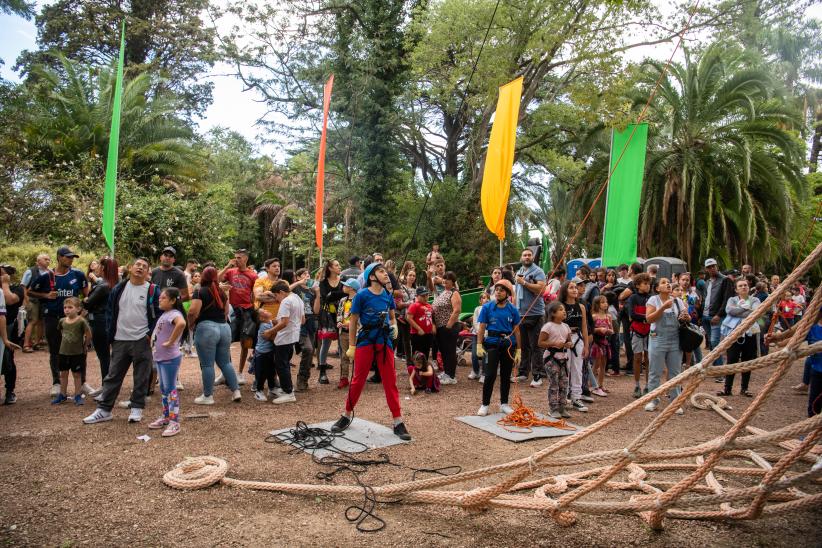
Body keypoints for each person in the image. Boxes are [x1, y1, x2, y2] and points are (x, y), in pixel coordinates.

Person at [330, 262, 411, 441]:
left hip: (384, 341)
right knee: (358, 380)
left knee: (390, 380)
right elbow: (353, 321)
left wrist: (394, 325)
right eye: (381, 271)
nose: (385, 274)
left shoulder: (388, 295)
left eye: (385, 271)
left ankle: (398, 421)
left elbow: (391, 316)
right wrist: (351, 345)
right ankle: (346, 415)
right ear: (371, 277)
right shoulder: (361, 296)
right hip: (365, 340)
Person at [82, 258, 161, 424]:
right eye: (137, 265)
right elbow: (110, 311)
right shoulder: (119, 288)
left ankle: (137, 408)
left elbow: (158, 315)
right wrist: (111, 334)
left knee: (141, 376)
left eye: (144, 267)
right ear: (130, 268)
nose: (140, 268)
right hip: (120, 339)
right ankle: (104, 410)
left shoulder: (152, 290)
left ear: (148, 272)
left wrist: (150, 334)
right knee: (113, 375)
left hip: (142, 339)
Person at [28, 247, 89, 397]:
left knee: (79, 351)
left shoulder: (78, 274)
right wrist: (46, 295)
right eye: (68, 257)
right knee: (55, 351)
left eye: (72, 257)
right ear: (59, 257)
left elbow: (86, 295)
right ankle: (57, 383)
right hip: (53, 318)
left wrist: (83, 311)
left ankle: (82, 383)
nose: (71, 259)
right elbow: (29, 291)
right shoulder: (47, 276)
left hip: (74, 321)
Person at [186, 266, 242, 406]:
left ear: (203, 277)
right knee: (225, 362)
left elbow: (193, 311)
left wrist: (190, 324)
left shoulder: (200, 291)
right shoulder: (222, 293)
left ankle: (208, 396)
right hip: (224, 328)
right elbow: (226, 312)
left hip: (206, 329)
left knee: (207, 365)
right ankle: (236, 391)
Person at [475, 279, 521, 416]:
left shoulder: (512, 309)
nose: (498, 292)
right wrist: (478, 344)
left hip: (508, 344)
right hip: (492, 343)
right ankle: (485, 404)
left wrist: (519, 349)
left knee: (506, 375)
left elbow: (517, 330)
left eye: (502, 290)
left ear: (507, 293)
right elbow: (482, 327)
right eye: (497, 290)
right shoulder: (487, 307)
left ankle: (504, 404)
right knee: (490, 375)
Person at [766, 305, 822, 418]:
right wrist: (776, 339)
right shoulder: (812, 329)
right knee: (814, 405)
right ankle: (812, 432)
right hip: (818, 371)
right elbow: (793, 340)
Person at [643, 278, 689, 414]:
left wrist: (687, 317)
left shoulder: (678, 301)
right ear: (657, 288)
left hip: (675, 339)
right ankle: (653, 400)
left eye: (668, 282)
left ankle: (675, 403)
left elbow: (687, 318)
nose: (667, 284)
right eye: (663, 283)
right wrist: (663, 308)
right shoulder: (653, 300)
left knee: (675, 372)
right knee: (655, 371)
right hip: (657, 338)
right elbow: (649, 319)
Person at [147, 287, 187, 437]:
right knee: (164, 389)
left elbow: (181, 324)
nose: (159, 299)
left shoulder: (174, 314)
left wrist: (171, 341)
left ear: (172, 300)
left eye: (163, 298)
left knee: (170, 390)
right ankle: (166, 417)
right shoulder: (166, 314)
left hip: (170, 358)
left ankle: (175, 422)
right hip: (161, 357)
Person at [218, 249, 257, 384]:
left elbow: (255, 294)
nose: (236, 260)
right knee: (225, 342)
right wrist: (228, 266)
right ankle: (225, 372)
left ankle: (240, 373)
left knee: (245, 343)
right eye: (235, 257)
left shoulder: (252, 275)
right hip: (232, 310)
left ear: (246, 258)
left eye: (239, 258)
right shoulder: (230, 271)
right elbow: (216, 279)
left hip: (246, 311)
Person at [717, 278, 761, 397]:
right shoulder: (732, 299)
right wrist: (747, 309)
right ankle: (727, 388)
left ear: (749, 287)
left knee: (747, 361)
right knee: (731, 360)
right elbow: (729, 311)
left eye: (745, 285)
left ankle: (744, 388)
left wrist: (740, 311)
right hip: (734, 334)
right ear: (736, 289)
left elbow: (757, 312)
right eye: (740, 286)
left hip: (750, 334)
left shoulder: (755, 299)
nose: (743, 287)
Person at [263, 281, 303, 404]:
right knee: (285, 364)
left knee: (281, 365)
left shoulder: (286, 301)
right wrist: (278, 321)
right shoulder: (297, 298)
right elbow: (302, 319)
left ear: (281, 292)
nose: (276, 299)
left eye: (276, 296)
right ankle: (288, 389)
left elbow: (284, 322)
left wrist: (270, 331)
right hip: (293, 336)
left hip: (284, 338)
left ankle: (288, 392)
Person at [514, 249, 547, 386]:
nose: (527, 257)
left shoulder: (538, 271)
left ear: (533, 257)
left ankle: (538, 375)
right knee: (524, 346)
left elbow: (541, 290)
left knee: (536, 346)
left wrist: (525, 283)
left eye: (529, 255)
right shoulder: (519, 271)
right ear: (521, 257)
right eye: (524, 255)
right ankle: (523, 372)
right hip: (520, 314)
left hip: (535, 314)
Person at [83, 256, 119, 383]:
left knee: (103, 357)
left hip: (99, 322)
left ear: (103, 267)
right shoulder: (117, 285)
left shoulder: (103, 286)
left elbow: (87, 303)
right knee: (109, 357)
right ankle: (107, 386)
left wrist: (85, 300)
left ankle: (106, 387)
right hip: (112, 322)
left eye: (99, 264)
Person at [52, 297, 91, 405]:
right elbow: (61, 333)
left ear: (78, 309)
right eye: (65, 307)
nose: (67, 310)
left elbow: (88, 334)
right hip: (63, 352)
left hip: (77, 353)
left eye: (70, 307)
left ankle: (77, 395)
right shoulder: (62, 321)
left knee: (77, 375)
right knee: (63, 374)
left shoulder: (81, 321)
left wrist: (84, 346)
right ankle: (62, 394)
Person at [558, 280, 590, 412]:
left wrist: (586, 345)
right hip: (564, 339)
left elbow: (584, 327)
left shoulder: (581, 307)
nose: (575, 290)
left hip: (578, 338)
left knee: (577, 368)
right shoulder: (560, 306)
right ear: (565, 290)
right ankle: (563, 397)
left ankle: (576, 397)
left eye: (576, 288)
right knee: (565, 368)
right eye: (571, 288)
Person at [539, 301, 573, 418]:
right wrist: (554, 343)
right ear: (553, 313)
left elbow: (569, 341)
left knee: (564, 383)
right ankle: (553, 408)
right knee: (554, 383)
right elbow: (540, 343)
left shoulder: (566, 327)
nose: (564, 311)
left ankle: (562, 407)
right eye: (560, 310)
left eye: (564, 309)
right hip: (551, 358)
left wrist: (569, 344)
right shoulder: (548, 326)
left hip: (563, 358)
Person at [702, 258, 735, 369]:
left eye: (713, 266)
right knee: (712, 344)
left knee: (715, 342)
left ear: (717, 266)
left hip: (717, 316)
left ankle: (719, 370)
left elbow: (727, 300)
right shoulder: (707, 282)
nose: (712, 268)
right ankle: (715, 367)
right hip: (706, 316)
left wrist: (719, 315)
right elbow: (706, 298)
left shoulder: (725, 280)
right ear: (706, 269)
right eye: (709, 267)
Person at [317, 260, 345, 383]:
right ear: (330, 268)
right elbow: (325, 297)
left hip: (341, 316)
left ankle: (343, 374)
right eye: (337, 265)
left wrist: (332, 295)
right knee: (326, 343)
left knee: (342, 344)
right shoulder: (323, 282)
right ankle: (322, 372)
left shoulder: (343, 281)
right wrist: (340, 293)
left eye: (339, 265)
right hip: (327, 315)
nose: (339, 267)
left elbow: (333, 296)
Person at [432, 271, 462, 385]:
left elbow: (457, 310)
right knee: (444, 351)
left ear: (453, 282)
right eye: (444, 280)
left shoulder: (454, 293)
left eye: (447, 281)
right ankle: (446, 372)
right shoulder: (445, 291)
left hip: (449, 326)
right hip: (441, 327)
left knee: (450, 351)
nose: (445, 282)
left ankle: (451, 376)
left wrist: (448, 326)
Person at [293, 268, 320, 390]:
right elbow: (285, 289)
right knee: (308, 349)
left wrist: (318, 294)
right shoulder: (296, 289)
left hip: (311, 323)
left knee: (310, 352)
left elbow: (316, 311)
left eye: (308, 274)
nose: (307, 276)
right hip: (299, 324)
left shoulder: (312, 291)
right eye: (304, 274)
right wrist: (299, 282)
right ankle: (300, 380)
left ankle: (304, 380)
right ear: (298, 277)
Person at [1, 265, 24, 403]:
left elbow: (9, 300)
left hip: (9, 327)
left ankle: (10, 391)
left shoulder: (17, 288)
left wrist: (4, 283)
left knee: (8, 360)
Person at [627, 273, 652, 398]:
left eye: (648, 284)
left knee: (648, 359)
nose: (647, 286)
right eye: (645, 284)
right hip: (636, 330)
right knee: (637, 358)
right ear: (637, 285)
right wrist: (647, 318)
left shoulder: (652, 298)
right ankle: (637, 385)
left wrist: (644, 318)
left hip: (650, 331)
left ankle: (648, 385)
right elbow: (632, 314)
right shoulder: (633, 298)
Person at [21, 253, 51, 353]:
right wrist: (26, 300)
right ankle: (26, 345)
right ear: (38, 261)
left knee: (41, 322)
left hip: (44, 301)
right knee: (32, 321)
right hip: (32, 300)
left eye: (49, 259)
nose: (48, 261)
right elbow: (23, 286)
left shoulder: (49, 272)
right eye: (45, 259)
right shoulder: (30, 271)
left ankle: (37, 343)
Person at [618, 262, 644, 373]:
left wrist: (620, 298)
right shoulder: (643, 282)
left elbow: (622, 295)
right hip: (641, 314)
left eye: (629, 268)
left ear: (632, 270)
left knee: (628, 339)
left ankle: (631, 365)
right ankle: (637, 364)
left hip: (629, 314)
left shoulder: (633, 283)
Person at [336, 278, 360, 389]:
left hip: (356, 333)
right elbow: (339, 313)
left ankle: (356, 378)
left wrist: (349, 325)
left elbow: (359, 318)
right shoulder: (342, 300)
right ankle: (344, 378)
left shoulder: (359, 300)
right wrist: (339, 322)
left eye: (345, 285)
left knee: (357, 356)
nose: (343, 287)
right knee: (344, 356)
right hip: (343, 333)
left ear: (351, 288)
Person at [252, 308, 278, 401]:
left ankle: (272, 389)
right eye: (265, 311)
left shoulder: (269, 322)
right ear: (262, 318)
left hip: (269, 352)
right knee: (262, 374)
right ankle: (259, 391)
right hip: (262, 354)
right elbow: (271, 338)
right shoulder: (263, 326)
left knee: (271, 372)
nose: (267, 310)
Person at [589, 295, 612, 398]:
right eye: (602, 302)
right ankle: (592, 385)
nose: (605, 304)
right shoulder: (594, 316)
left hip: (604, 342)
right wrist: (599, 330)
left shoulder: (609, 316)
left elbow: (612, 330)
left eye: (606, 302)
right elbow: (591, 330)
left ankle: (601, 384)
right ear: (597, 304)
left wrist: (608, 331)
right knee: (596, 363)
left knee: (603, 364)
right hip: (596, 342)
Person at [678, 272, 702, 368]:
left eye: (687, 280)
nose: (685, 282)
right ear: (679, 280)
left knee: (694, 343)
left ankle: (700, 365)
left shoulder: (693, 293)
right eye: (683, 280)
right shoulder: (675, 291)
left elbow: (697, 307)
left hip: (692, 321)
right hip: (679, 322)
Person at [407, 286, 435, 361]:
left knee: (426, 353)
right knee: (417, 354)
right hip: (417, 334)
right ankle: (415, 370)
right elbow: (409, 318)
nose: (425, 297)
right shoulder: (414, 305)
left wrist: (433, 327)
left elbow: (431, 318)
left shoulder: (429, 306)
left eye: (427, 295)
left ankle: (424, 369)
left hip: (428, 334)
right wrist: (419, 329)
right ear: (417, 296)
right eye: (423, 296)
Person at [396, 269, 416, 363]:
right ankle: (408, 360)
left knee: (412, 339)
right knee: (405, 340)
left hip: (414, 317)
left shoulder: (417, 290)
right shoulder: (401, 289)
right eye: (410, 275)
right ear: (406, 276)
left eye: (413, 276)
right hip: (404, 317)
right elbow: (399, 304)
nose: (412, 277)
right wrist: (412, 303)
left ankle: (412, 359)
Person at [469, 292, 490, 381]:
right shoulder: (477, 309)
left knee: (485, 355)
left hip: (487, 336)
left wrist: (486, 333)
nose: (487, 299)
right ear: (480, 301)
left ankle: (484, 374)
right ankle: (475, 371)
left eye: (488, 298)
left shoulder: (491, 309)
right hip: (476, 335)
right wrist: (480, 332)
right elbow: (475, 322)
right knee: (474, 354)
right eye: (484, 298)